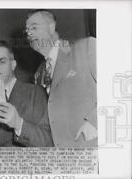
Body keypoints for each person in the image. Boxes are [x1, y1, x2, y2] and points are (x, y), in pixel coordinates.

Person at [25, 9, 97, 147]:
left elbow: (114, 88)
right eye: (27, 30)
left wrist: (94, 123)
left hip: (92, 147)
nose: (29, 34)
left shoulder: (86, 47)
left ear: (51, 27)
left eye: (34, 27)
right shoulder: (38, 74)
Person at [0, 40, 54, 147]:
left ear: (13, 65)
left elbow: (49, 142)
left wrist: (18, 123)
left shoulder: (35, 93)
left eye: (2, 61)